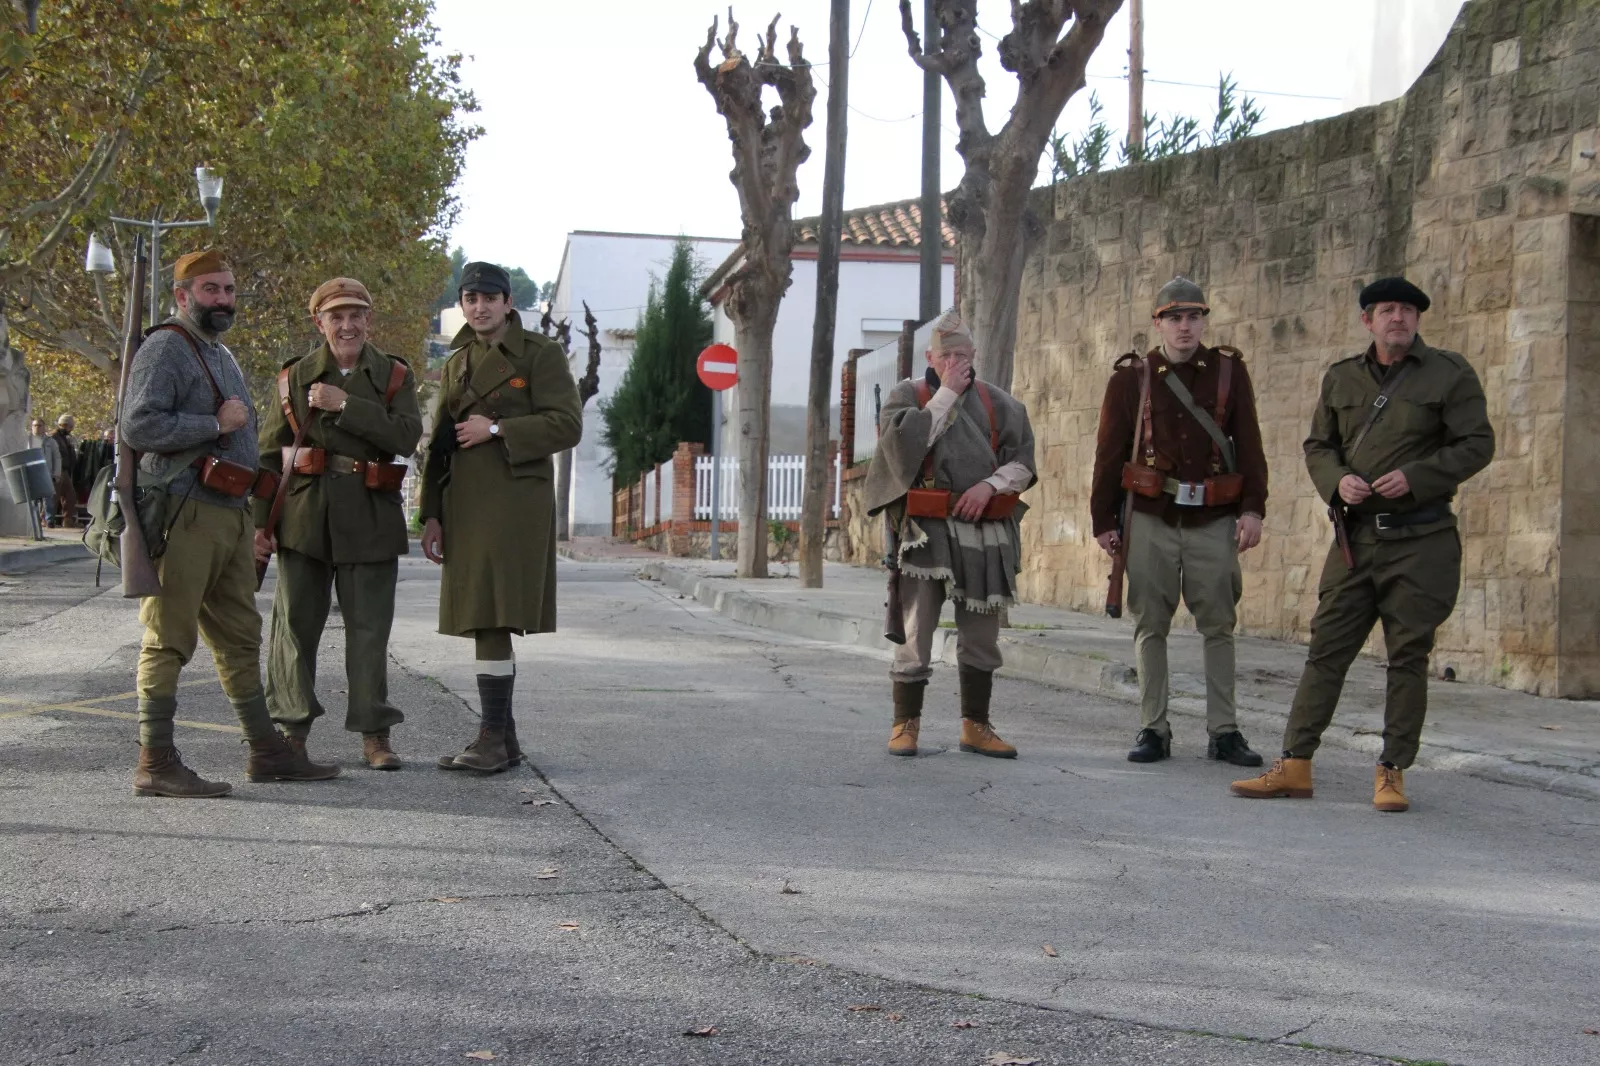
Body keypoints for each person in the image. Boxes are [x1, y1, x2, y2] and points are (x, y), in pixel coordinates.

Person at [1231, 277, 1495, 812]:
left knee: (1407, 658)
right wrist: (1336, 480)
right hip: (1354, 541)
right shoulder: (1342, 377)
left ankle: (1392, 771)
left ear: (1417, 320)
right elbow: (1318, 445)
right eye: (1387, 310)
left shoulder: (1450, 373)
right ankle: (1295, 765)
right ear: (1367, 320)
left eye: (1407, 310)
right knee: (1325, 652)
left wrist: (1418, 476)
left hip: (1422, 540)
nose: (1398, 317)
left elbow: (1477, 444)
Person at [120, 248, 338, 798]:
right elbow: (138, 424)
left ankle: (267, 753)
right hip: (184, 513)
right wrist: (210, 423)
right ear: (182, 296)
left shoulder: (218, 351)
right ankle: (155, 762)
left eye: (228, 290)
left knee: (241, 638)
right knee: (169, 639)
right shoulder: (167, 346)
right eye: (211, 290)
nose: (222, 300)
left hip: (227, 516)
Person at [1090, 277, 1270, 767]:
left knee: (1219, 624)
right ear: (1158, 323)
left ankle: (1225, 731)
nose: (1185, 326)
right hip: (1151, 514)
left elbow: (1249, 445)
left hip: (1214, 516)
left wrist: (1253, 509)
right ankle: (1153, 726)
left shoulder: (1229, 372)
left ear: (1204, 320)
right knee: (1150, 623)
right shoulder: (1132, 378)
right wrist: (1104, 520)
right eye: (1174, 317)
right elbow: (1109, 453)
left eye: (1193, 316)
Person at [418, 262, 583, 773]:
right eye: (471, 298)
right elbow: (441, 442)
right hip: (465, 502)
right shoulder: (457, 360)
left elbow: (567, 424)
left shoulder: (541, 354)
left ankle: (491, 738)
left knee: (490, 615)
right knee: (481, 614)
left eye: (491, 297)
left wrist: (497, 429)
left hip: (515, 501)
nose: (480, 307)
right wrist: (431, 513)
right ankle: (503, 740)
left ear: (509, 303)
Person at [255, 278, 422, 770]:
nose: (347, 325)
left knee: (369, 631)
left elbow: (407, 435)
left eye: (356, 315)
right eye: (336, 316)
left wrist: (345, 405)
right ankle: (292, 731)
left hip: (370, 514)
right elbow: (269, 457)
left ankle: (375, 734)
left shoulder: (393, 375)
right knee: (293, 629)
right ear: (319, 322)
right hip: (304, 518)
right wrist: (259, 527)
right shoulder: (293, 377)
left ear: (369, 319)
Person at [863, 310, 1037, 759]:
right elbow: (899, 453)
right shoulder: (909, 395)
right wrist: (945, 396)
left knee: (981, 635)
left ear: (975, 354)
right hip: (925, 532)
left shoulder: (1001, 404)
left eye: (963, 355)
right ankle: (906, 724)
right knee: (915, 630)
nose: (956, 363)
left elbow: (1023, 463)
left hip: (984, 532)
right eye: (947, 355)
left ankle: (975, 726)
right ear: (929, 356)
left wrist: (989, 486)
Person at [27, 417, 61, 527]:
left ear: (44, 427)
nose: (37, 428)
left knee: (48, 499)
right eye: (34, 425)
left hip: (47, 473)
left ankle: (49, 520)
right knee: (33, 499)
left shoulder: (50, 441)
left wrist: (57, 473)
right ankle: (34, 521)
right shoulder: (26, 441)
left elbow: (57, 457)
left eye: (39, 425)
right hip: (31, 473)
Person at [50, 414, 77, 527]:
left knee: (70, 496)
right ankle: (46, 519)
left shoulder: (66, 438)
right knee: (53, 497)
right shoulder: (54, 437)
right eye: (70, 426)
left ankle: (67, 520)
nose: (71, 429)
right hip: (57, 470)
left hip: (65, 470)